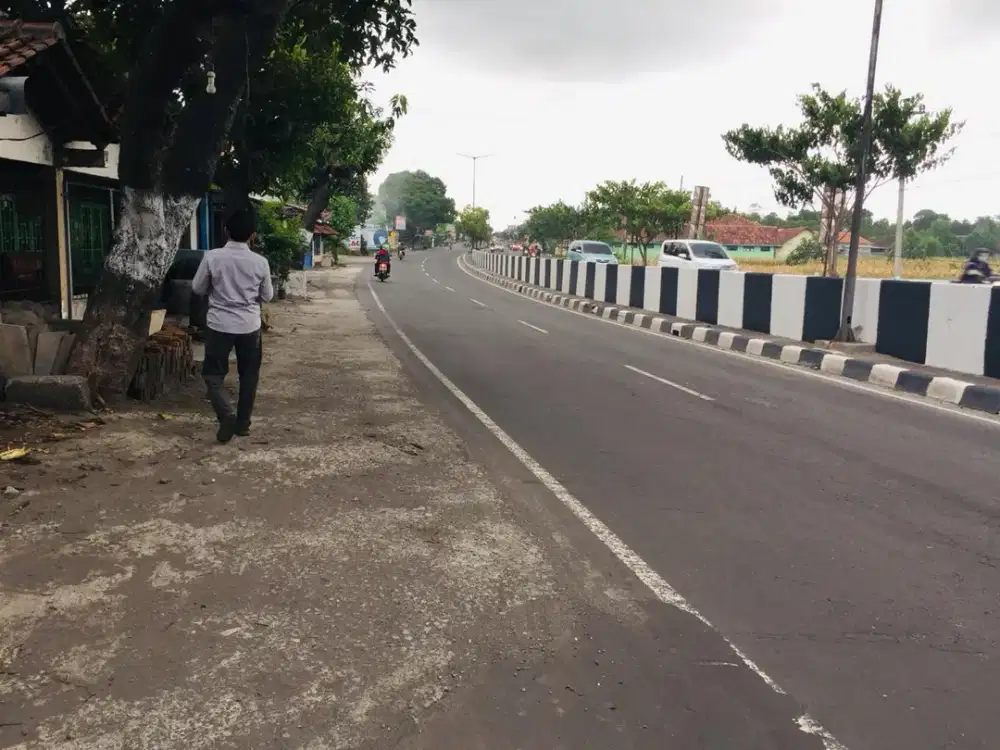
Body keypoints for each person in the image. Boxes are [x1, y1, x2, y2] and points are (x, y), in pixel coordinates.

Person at [192, 207, 273, 443]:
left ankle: (226, 413)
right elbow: (267, 296)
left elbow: (198, 288)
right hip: (249, 326)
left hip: (219, 324)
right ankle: (243, 424)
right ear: (252, 235)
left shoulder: (212, 256)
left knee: (213, 375)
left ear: (226, 231)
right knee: (249, 375)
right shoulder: (260, 262)